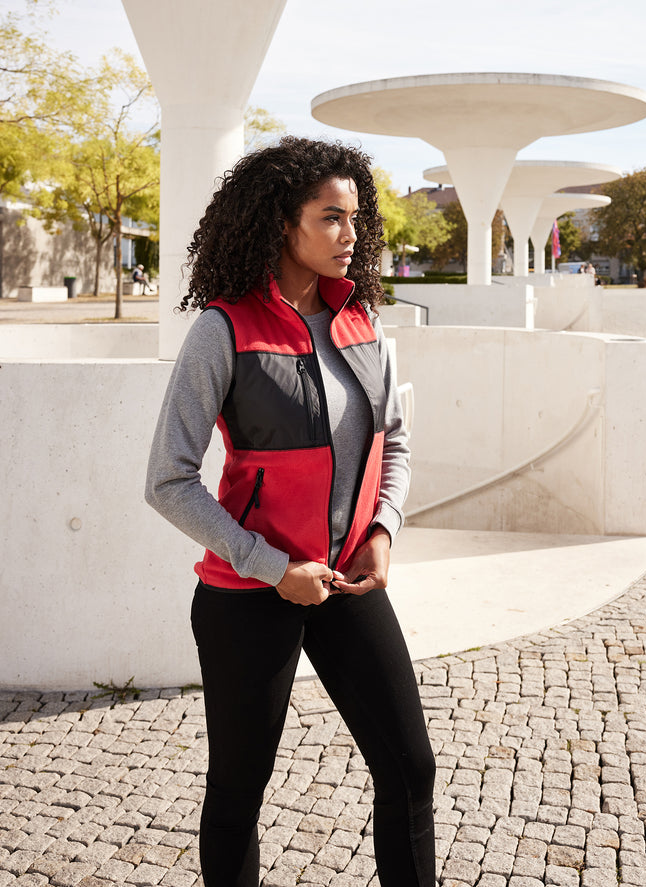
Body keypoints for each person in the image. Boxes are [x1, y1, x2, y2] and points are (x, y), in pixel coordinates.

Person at [145, 137, 435, 887]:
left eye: (356, 219)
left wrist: (382, 529)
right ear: (283, 222)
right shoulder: (224, 330)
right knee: (239, 793)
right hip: (248, 596)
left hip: (346, 585)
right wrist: (273, 567)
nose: (352, 234)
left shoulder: (364, 322)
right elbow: (168, 480)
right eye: (332, 217)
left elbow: (393, 442)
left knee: (411, 768)